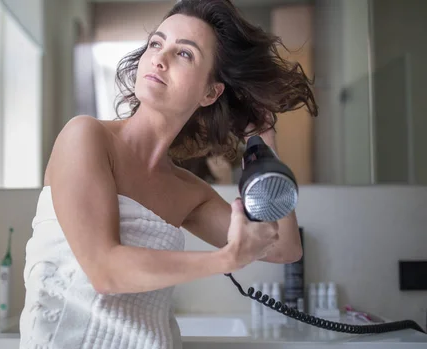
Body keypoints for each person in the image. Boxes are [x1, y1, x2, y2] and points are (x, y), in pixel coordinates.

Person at [19, 0, 317, 348]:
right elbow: (104, 270)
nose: (160, 58)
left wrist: (263, 139)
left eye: (185, 54)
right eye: (156, 43)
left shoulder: (188, 191)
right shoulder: (84, 138)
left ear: (210, 92)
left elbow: (285, 248)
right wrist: (226, 259)